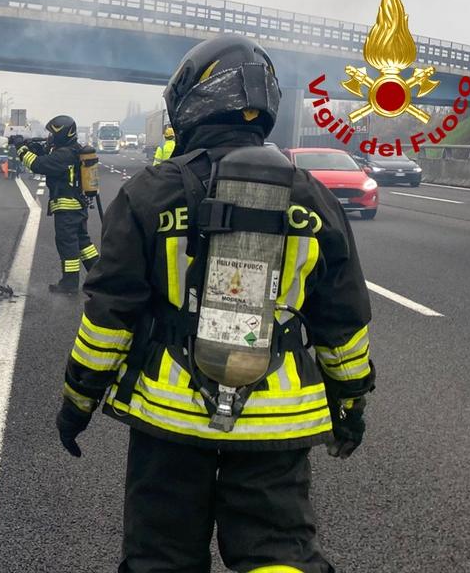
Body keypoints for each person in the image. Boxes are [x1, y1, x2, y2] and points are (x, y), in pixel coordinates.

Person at [54, 35, 375, 573]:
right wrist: (351, 404)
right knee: (279, 555)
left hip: (171, 419)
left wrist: (77, 402)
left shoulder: (149, 194)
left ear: (190, 100)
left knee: (162, 557)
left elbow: (110, 318)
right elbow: (342, 322)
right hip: (278, 425)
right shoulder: (312, 197)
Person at [13, 116, 99, 294]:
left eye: (53, 133)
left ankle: (69, 283)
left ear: (62, 134)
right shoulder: (73, 150)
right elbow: (48, 158)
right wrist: (36, 148)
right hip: (77, 206)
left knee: (67, 243)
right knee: (83, 243)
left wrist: (21, 148)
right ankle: (100, 277)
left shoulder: (64, 155)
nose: (50, 137)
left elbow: (37, 165)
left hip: (67, 208)